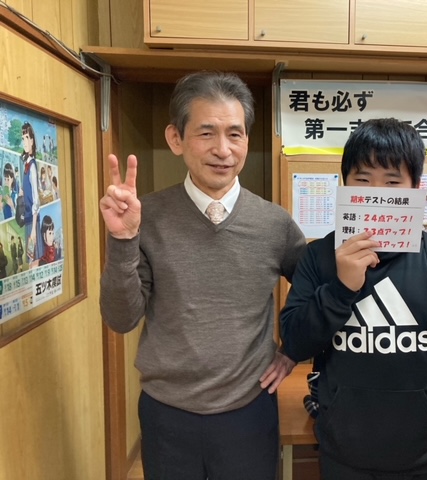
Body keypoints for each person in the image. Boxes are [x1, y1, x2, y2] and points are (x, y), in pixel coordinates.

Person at [99, 71, 306, 480]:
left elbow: (316, 291)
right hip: (167, 412)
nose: (223, 150)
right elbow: (121, 318)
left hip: (249, 409)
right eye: (206, 133)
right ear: (176, 138)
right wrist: (123, 240)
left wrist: (293, 350)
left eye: (235, 134)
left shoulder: (274, 223)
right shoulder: (146, 216)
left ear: (246, 139)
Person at [279, 118, 427, 480]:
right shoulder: (320, 256)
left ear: (415, 188)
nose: (377, 193)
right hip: (345, 453)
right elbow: (294, 341)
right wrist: (341, 288)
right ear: (344, 184)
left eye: (392, 182)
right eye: (363, 180)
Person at [19, 122, 41, 264]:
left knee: (33, 261)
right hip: (28, 220)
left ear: (32, 140)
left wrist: (33, 229)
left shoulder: (32, 166)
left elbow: (36, 199)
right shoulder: (26, 163)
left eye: (27, 137)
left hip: (32, 222)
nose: (25, 142)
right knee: (31, 259)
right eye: (23, 138)